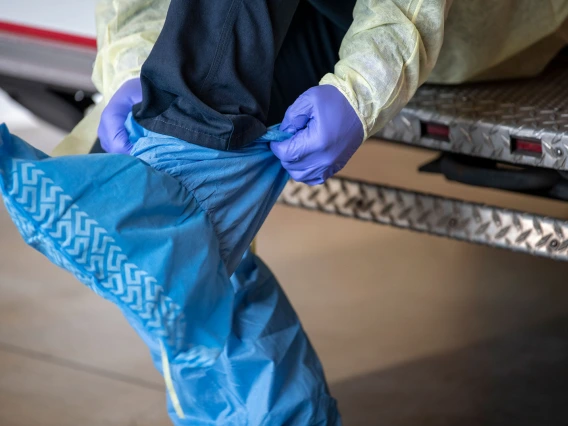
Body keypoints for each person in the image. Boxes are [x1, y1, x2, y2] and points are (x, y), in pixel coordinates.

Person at [92, 0, 568, 424]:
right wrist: (136, 67)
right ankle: (183, 171)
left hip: (465, 22)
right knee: (203, 224)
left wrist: (361, 89)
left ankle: (180, 169)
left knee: (187, 222)